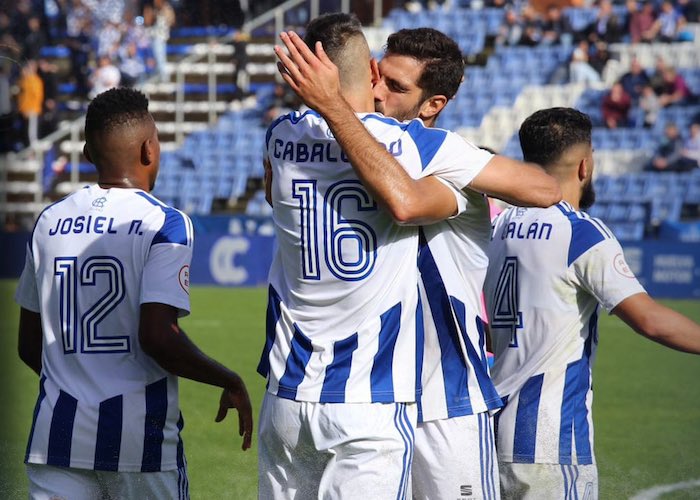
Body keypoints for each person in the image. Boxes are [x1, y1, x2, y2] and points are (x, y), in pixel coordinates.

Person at [273, 20, 561, 500]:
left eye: (396, 85)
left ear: (433, 105)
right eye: (378, 76)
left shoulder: (446, 157)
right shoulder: (349, 145)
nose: (378, 91)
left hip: (443, 396)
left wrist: (468, 173)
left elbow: (544, 189)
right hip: (373, 389)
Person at [15, 87, 253, 499]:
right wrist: (227, 378)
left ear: (88, 155)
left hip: (56, 436)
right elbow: (158, 337)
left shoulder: (48, 222)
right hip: (139, 444)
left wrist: (79, 387)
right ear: (149, 150)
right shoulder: (164, 223)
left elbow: (27, 344)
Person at [483, 107, 700, 500]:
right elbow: (649, 319)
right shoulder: (580, 232)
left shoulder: (497, 227)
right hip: (550, 437)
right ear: (585, 165)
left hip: (491, 431)